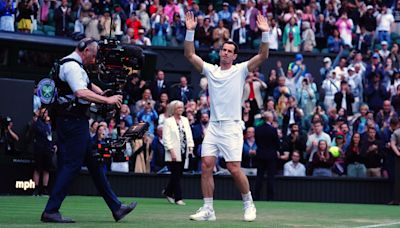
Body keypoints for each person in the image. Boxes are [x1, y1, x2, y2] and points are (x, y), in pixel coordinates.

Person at [184, 11, 270, 222]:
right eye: (223, 50)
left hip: (232, 127)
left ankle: (249, 204)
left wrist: (265, 34)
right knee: (206, 165)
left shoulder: (240, 70)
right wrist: (190, 31)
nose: (225, 53)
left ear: (234, 56)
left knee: (233, 168)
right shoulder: (211, 71)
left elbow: (263, 56)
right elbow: (189, 55)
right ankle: (208, 209)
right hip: (213, 126)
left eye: (230, 51)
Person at [41, 38, 136, 223]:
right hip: (73, 122)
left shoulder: (74, 65)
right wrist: (107, 100)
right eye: (93, 56)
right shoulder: (73, 67)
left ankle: (116, 207)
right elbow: (80, 92)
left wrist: (106, 95)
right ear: (85, 51)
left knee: (94, 164)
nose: (94, 60)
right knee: (72, 165)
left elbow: (90, 87)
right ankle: (51, 210)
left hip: (74, 121)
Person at [162, 100, 194, 206]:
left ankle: (167, 192)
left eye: (181, 107)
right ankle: (178, 198)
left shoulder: (185, 120)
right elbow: (166, 138)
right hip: (173, 152)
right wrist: (172, 152)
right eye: (178, 108)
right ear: (173, 109)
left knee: (178, 174)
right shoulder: (168, 121)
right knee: (176, 174)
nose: (180, 109)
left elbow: (188, 134)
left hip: (184, 151)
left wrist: (191, 147)